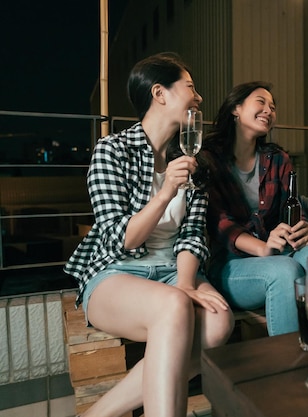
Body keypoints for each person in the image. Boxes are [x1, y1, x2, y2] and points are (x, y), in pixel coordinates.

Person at [64, 52, 234, 417]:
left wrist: (186, 282)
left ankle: (98, 413)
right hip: (117, 271)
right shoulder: (112, 150)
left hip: (173, 268)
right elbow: (118, 239)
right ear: (160, 93)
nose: (199, 97)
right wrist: (165, 193)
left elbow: (192, 235)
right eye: (190, 87)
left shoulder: (193, 159)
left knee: (220, 321)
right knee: (172, 307)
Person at [198, 81, 308, 336]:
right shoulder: (208, 159)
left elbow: (292, 206)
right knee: (284, 271)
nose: (269, 110)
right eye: (261, 102)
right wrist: (264, 248)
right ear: (236, 109)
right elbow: (220, 224)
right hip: (231, 265)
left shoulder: (278, 158)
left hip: (279, 252)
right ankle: (289, 366)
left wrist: (302, 229)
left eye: (273, 106)